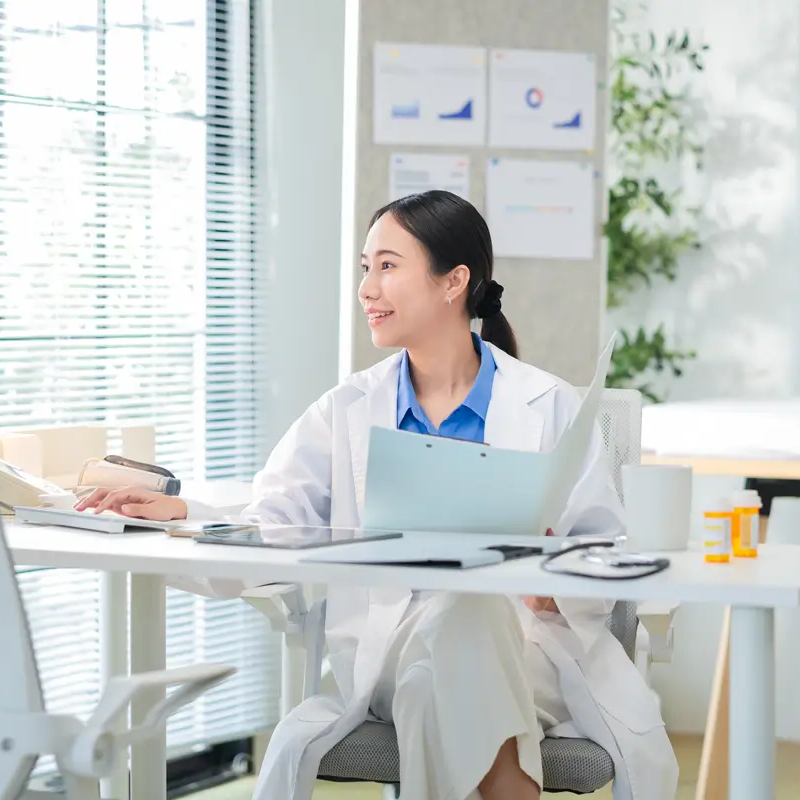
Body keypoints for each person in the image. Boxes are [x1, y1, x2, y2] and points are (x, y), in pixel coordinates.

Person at [77, 190, 677, 800]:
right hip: (387, 651)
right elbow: (275, 522)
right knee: (438, 651)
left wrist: (555, 589)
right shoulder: (345, 410)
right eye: (366, 267)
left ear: (454, 282)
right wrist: (182, 512)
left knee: (449, 650)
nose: (367, 288)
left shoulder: (548, 405)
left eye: (387, 266)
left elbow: (600, 552)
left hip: (528, 655)